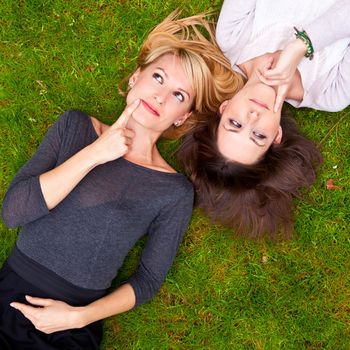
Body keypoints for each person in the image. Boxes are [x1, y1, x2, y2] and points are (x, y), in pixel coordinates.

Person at [0, 11, 242, 350]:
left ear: (183, 117)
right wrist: (96, 153)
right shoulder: (75, 128)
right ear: (135, 78)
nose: (161, 96)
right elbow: (13, 212)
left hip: (71, 326)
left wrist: (79, 317)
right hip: (9, 296)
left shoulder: (173, 192)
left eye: (178, 95)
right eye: (158, 77)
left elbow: (149, 279)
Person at [177, 0, 350, 239]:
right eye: (258, 136)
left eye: (235, 124)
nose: (253, 117)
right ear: (276, 136)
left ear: (224, 108)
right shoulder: (331, 91)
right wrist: (301, 46)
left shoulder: (233, 36)